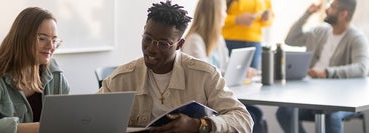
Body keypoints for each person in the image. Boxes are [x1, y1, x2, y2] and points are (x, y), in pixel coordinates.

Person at [98, 1, 253, 132]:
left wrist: (199, 125)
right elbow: (91, 116)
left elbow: (244, 120)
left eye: (163, 44)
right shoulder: (121, 78)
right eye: (147, 38)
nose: (151, 48)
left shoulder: (205, 75)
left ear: (179, 44)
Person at [276, 0, 369, 132]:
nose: (327, 9)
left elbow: (361, 68)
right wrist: (307, 14)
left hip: (341, 101)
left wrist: (326, 72)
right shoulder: (319, 32)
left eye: (332, 7)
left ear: (343, 14)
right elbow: (290, 39)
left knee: (331, 116)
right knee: (285, 112)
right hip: (313, 96)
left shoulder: (356, 38)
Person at [0, 7, 70, 133]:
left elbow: (66, 119)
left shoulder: (55, 75)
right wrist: (40, 128)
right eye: (42, 38)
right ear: (22, 38)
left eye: (54, 40)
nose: (51, 46)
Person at [181, 0, 266, 132]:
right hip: (204, 103)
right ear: (214, 14)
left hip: (215, 98)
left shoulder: (218, 39)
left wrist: (242, 72)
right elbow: (205, 78)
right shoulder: (194, 40)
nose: (226, 15)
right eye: (224, 11)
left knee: (256, 113)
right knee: (252, 116)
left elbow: (225, 68)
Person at [222, 0, 274, 70]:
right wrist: (236, 19)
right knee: (227, 74)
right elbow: (214, 17)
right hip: (230, 41)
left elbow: (269, 20)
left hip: (254, 43)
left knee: (252, 77)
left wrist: (267, 18)